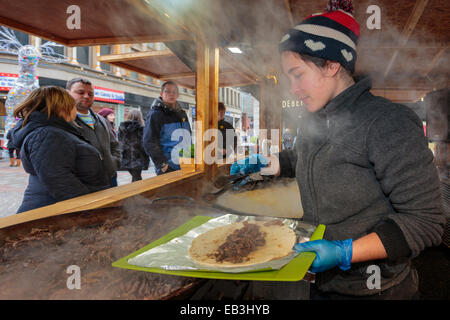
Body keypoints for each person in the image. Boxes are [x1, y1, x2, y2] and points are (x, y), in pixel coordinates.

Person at [233, 0, 444, 299]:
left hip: (377, 290)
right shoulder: (316, 119)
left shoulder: (387, 122)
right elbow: (308, 155)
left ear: (331, 65)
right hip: (325, 283)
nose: (292, 88)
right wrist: (270, 163)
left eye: (297, 74)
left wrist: (346, 252)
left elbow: (426, 221)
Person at [11, 86, 110, 213]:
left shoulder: (55, 130)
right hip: (51, 211)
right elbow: (61, 182)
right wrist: (90, 209)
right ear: (63, 107)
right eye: (73, 105)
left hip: (57, 208)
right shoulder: (48, 134)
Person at [66, 78, 120, 187]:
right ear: (67, 93)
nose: (86, 96)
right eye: (80, 92)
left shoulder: (101, 120)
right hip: (84, 184)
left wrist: (114, 163)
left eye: (90, 93)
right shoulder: (64, 121)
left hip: (110, 177)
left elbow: (114, 145)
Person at [143, 80, 191, 175]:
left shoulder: (182, 114)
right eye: (168, 91)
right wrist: (162, 164)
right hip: (169, 167)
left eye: (174, 92)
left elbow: (188, 137)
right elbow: (149, 141)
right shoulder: (155, 114)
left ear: (177, 95)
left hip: (186, 164)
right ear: (161, 93)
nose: (171, 94)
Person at [118, 109, 149, 182]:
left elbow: (120, 141)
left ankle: (137, 192)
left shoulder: (122, 128)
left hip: (126, 158)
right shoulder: (142, 129)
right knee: (137, 179)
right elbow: (144, 144)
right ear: (140, 117)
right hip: (138, 158)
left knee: (136, 178)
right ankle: (137, 193)